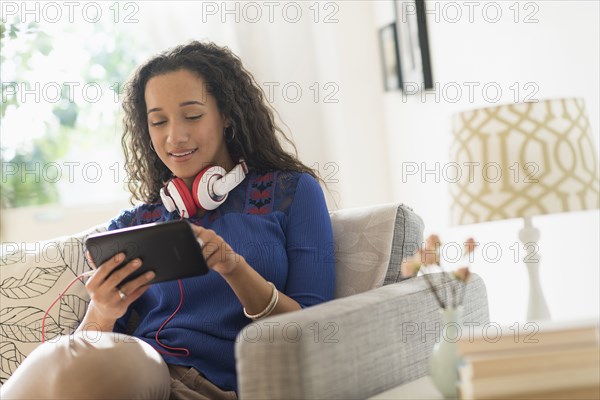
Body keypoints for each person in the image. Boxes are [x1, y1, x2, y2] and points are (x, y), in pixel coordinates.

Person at [1, 41, 335, 400]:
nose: (174, 137)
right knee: (66, 353)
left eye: (192, 116)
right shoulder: (136, 223)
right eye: (158, 121)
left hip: (214, 384)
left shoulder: (290, 193)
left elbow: (311, 331)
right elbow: (85, 353)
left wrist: (232, 266)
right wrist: (102, 311)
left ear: (227, 115)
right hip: (140, 372)